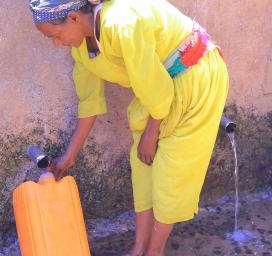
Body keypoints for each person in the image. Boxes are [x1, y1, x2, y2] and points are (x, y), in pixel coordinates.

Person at [28, 0, 229, 255]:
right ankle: (138, 248)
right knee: (142, 167)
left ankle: (154, 251)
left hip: (195, 75)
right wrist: (68, 157)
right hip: (159, 91)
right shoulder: (82, 50)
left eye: (56, 35)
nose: (57, 43)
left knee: (171, 175)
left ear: (74, 18)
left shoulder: (122, 24)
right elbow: (90, 103)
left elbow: (156, 87)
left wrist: (151, 132)